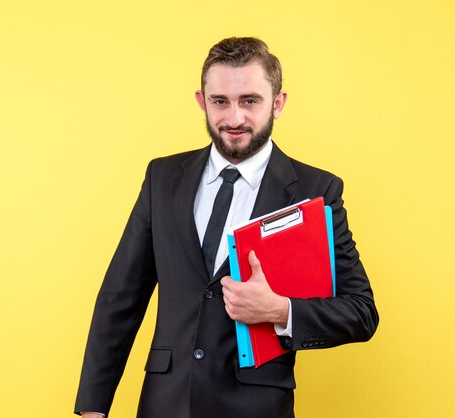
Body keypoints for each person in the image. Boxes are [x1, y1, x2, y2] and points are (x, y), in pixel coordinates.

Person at [74, 37, 378, 418]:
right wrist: (93, 407)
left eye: (250, 101)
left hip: (256, 407)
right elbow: (120, 298)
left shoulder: (317, 192)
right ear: (202, 102)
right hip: (165, 404)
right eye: (220, 102)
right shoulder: (162, 178)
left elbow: (361, 312)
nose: (234, 119)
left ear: (278, 103)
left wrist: (280, 310)